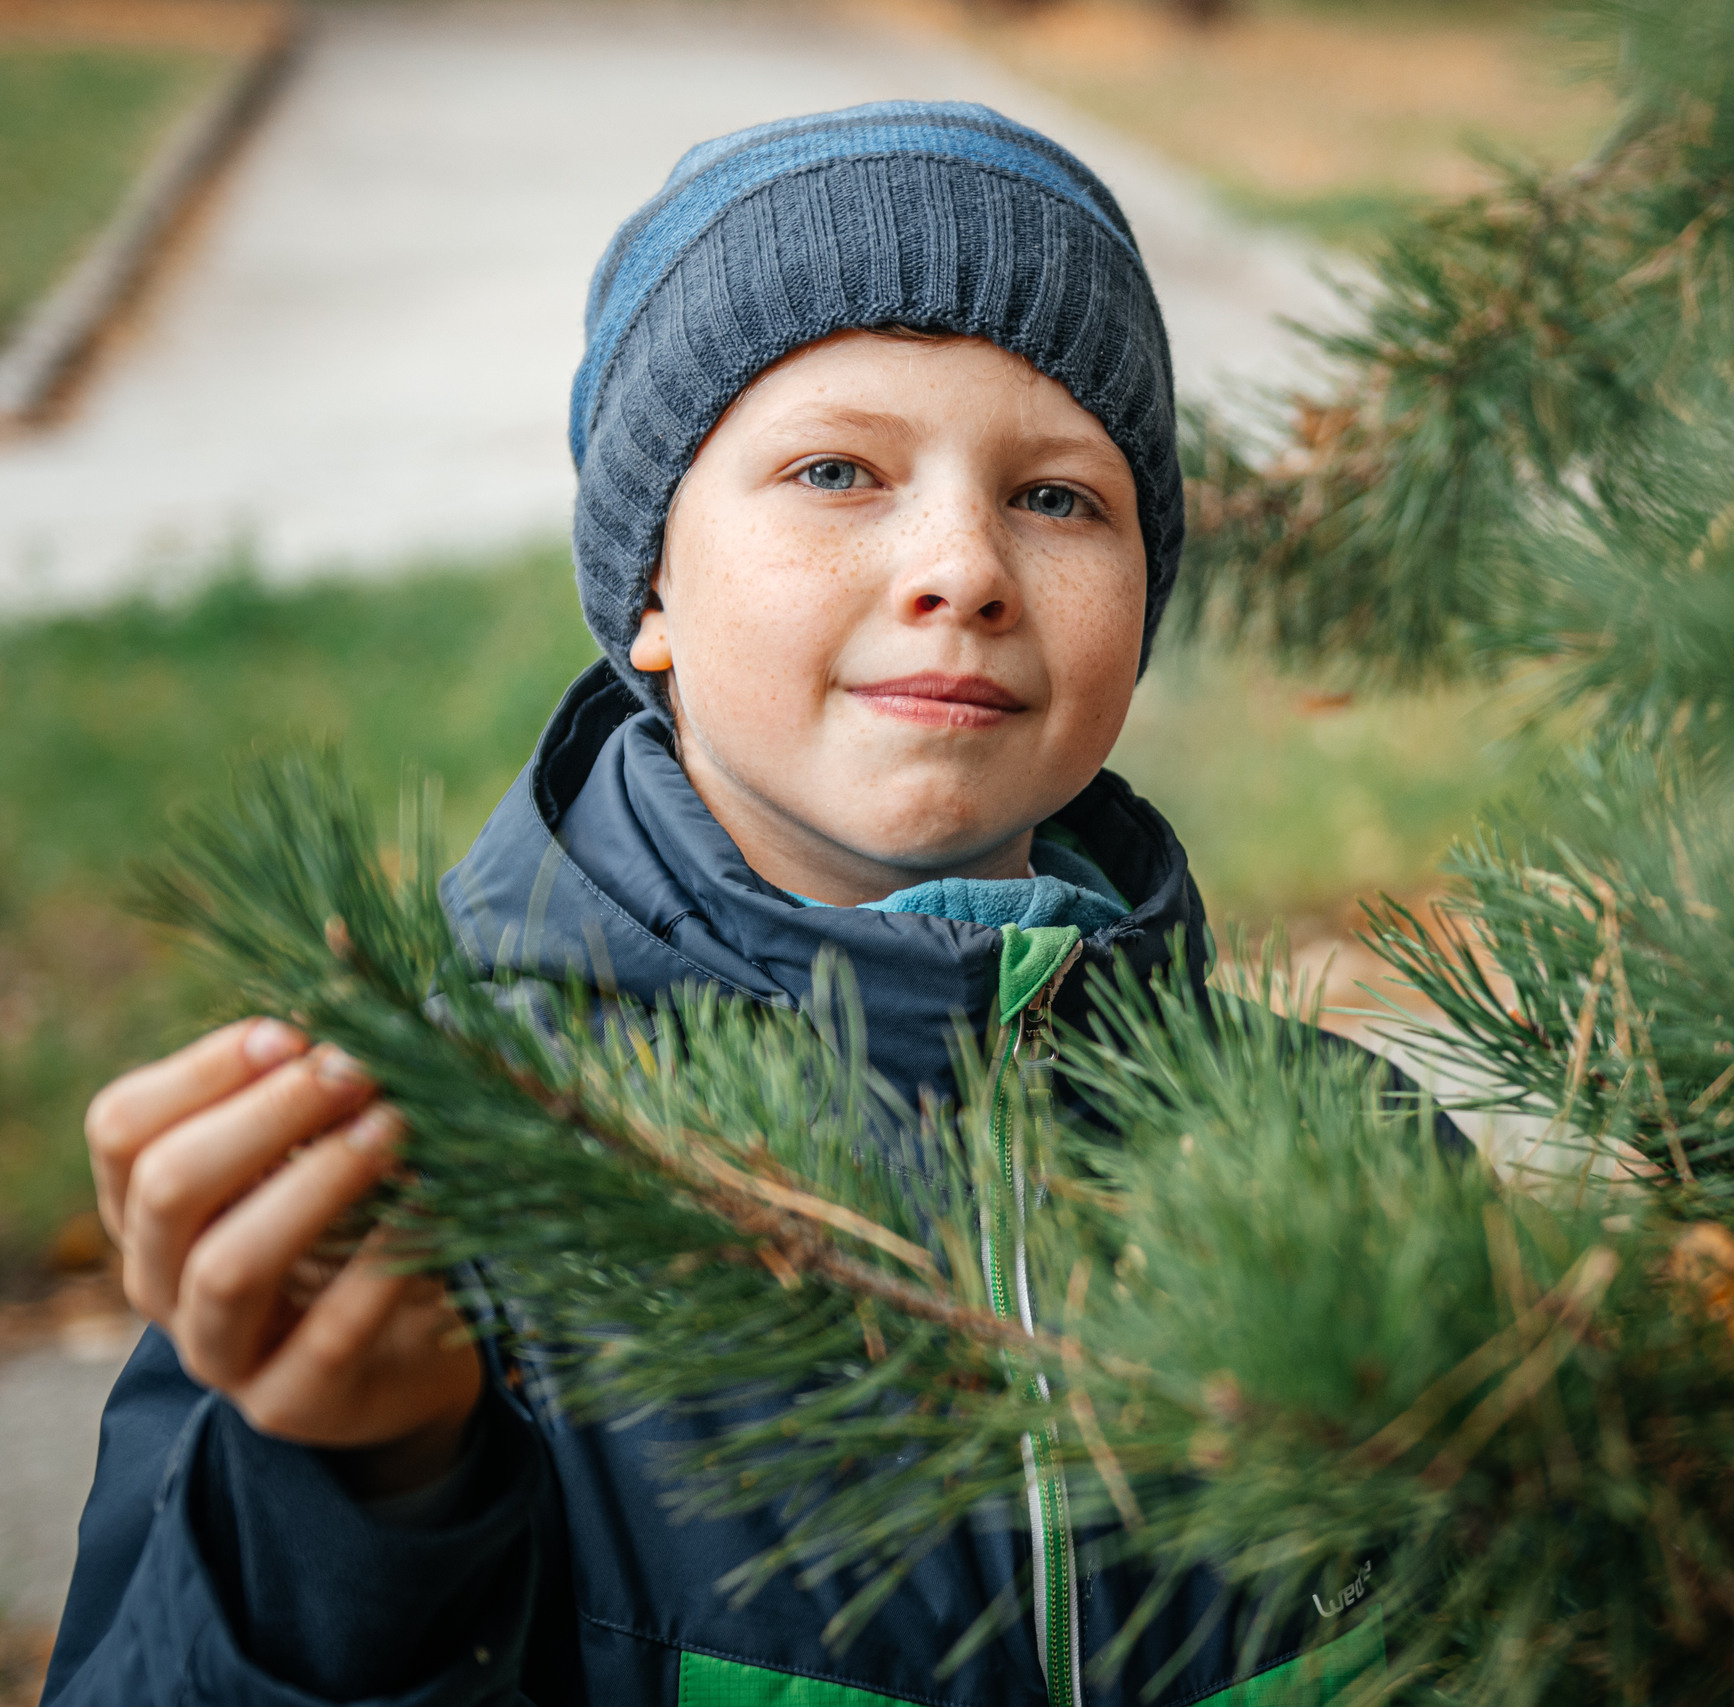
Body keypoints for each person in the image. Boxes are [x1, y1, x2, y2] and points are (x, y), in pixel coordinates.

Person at [44, 103, 1416, 1707]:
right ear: (651, 592)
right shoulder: (432, 1190)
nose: (961, 564)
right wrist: (355, 1494)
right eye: (837, 471)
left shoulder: (1360, 1166)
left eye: (1058, 499)